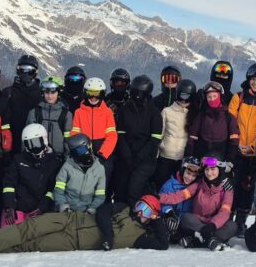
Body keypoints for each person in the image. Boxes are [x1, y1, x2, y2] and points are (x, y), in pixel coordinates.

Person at [0, 195, 170, 256]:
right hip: (71, 219)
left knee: (31, 245)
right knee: (30, 227)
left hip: (72, 241)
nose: (140, 212)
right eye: (141, 206)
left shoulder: (139, 237)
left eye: (147, 211)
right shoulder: (123, 208)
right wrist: (108, 236)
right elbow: (104, 211)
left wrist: (158, 220)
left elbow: (163, 244)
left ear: (152, 216)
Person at [160, 154, 237, 251]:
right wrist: (157, 197)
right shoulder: (199, 184)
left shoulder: (227, 190)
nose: (209, 173)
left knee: (232, 226)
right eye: (207, 169)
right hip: (197, 222)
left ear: (220, 170)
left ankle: (197, 241)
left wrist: (213, 225)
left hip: (215, 224)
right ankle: (212, 240)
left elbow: (225, 212)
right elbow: (179, 196)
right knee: (186, 218)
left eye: (213, 169)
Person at [228, 63, 256, 236]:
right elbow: (231, 121)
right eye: (253, 79)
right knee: (231, 186)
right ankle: (227, 219)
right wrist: (236, 143)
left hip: (254, 153)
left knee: (247, 187)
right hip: (237, 151)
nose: (255, 83)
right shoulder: (239, 97)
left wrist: (254, 148)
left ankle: (240, 222)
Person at [110, 74, 161, 204]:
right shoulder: (124, 110)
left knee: (134, 188)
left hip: (146, 159)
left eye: (140, 93)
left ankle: (136, 212)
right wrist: (127, 155)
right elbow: (120, 134)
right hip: (126, 155)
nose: (137, 96)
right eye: (134, 92)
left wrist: (139, 157)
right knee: (120, 187)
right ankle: (118, 211)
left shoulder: (154, 113)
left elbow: (154, 140)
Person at [0, 123, 64, 227]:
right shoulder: (18, 160)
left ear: (44, 140)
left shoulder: (54, 163)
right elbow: (9, 184)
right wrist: (9, 206)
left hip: (40, 209)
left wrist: (42, 208)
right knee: (8, 231)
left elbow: (52, 189)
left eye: (37, 142)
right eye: (29, 143)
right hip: (18, 207)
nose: (34, 147)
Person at [71, 77, 118, 176]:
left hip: (103, 152)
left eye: (97, 94)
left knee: (102, 180)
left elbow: (112, 135)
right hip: (84, 151)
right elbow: (75, 135)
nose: (93, 97)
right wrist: (83, 153)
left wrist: (103, 154)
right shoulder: (79, 112)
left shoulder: (107, 112)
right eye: (90, 93)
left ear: (102, 94)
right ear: (85, 93)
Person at [154, 78, 196, 187]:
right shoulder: (167, 111)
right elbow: (159, 134)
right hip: (166, 155)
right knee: (161, 184)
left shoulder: (193, 114)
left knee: (177, 186)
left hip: (183, 158)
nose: (184, 101)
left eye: (187, 98)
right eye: (182, 96)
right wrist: (155, 155)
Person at [53, 133, 107, 214]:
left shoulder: (99, 169)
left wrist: (92, 208)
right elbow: (58, 190)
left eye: (82, 150)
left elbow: (100, 195)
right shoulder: (67, 166)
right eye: (76, 152)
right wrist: (63, 205)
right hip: (67, 209)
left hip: (87, 211)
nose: (81, 154)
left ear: (89, 146)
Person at [186, 81, 239, 162]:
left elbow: (234, 141)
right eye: (209, 97)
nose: (212, 99)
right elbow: (192, 137)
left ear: (220, 97)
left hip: (220, 158)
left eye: (215, 96)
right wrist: (189, 156)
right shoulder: (201, 116)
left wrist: (230, 160)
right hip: (202, 157)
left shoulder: (228, 117)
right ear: (206, 99)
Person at [3, 55, 42, 150]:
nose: (26, 73)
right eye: (23, 69)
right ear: (18, 70)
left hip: (35, 142)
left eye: (30, 70)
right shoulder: (8, 92)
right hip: (12, 143)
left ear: (35, 72)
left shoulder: (42, 94)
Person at [28, 75, 72, 158]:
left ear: (58, 93)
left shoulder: (66, 114)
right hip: (38, 156)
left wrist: (66, 157)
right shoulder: (34, 112)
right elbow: (27, 137)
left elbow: (68, 139)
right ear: (43, 93)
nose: (50, 96)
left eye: (53, 93)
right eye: (47, 93)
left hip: (59, 156)